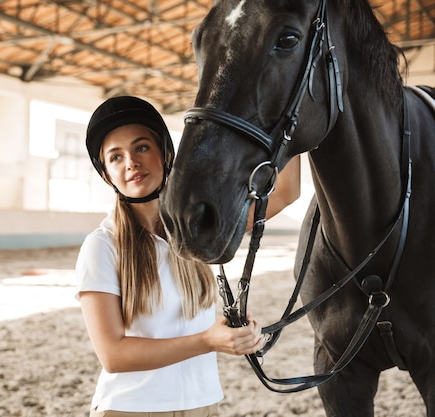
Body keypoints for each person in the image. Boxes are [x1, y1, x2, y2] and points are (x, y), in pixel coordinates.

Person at [75, 96, 301, 417]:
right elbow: (113, 355)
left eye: (141, 147)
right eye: (116, 157)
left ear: (165, 154)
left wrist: (289, 113)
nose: (131, 163)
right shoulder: (102, 246)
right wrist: (208, 340)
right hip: (131, 408)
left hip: (201, 404)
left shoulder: (198, 228)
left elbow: (286, 191)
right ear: (106, 174)